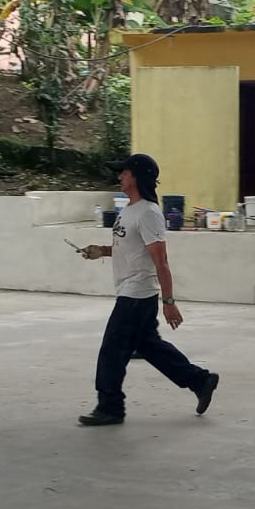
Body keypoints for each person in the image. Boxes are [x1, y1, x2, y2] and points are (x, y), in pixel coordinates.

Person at [77, 154, 219, 426]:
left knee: (111, 350)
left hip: (137, 293)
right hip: (131, 291)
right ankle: (201, 381)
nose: (120, 176)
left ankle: (110, 407)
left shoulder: (149, 213)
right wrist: (101, 251)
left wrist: (169, 301)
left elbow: (161, 260)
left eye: (124, 172)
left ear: (138, 177)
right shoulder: (129, 210)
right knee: (149, 346)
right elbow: (130, 248)